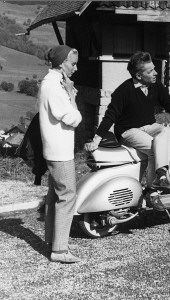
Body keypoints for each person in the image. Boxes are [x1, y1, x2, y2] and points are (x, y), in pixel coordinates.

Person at [84, 51, 170, 194]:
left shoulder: (155, 85)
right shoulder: (123, 91)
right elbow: (110, 116)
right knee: (155, 148)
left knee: (166, 131)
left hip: (149, 126)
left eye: (154, 69)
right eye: (151, 71)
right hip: (128, 131)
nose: (156, 73)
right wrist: (96, 140)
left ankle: (161, 174)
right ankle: (151, 190)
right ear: (139, 76)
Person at [37, 45, 82, 263]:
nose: (75, 67)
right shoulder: (54, 86)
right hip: (60, 151)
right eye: (73, 63)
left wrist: (69, 90)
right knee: (67, 196)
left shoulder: (53, 82)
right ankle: (60, 250)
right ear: (62, 62)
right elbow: (73, 118)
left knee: (56, 195)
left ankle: (54, 242)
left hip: (56, 148)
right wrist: (72, 96)